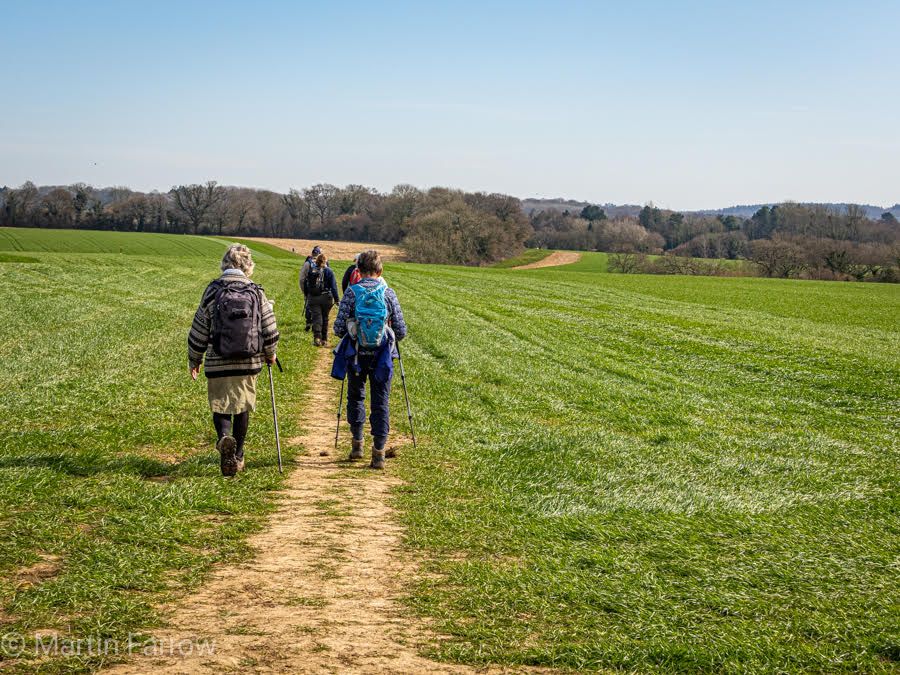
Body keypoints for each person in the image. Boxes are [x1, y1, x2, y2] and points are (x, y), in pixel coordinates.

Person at [188, 244, 279, 476]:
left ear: (225, 264)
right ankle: (237, 456)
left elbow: (199, 327)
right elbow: (269, 327)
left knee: (220, 404)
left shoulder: (212, 291)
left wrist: (195, 358)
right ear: (248, 266)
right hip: (248, 362)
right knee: (243, 407)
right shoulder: (256, 292)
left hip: (218, 359)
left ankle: (223, 439)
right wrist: (270, 353)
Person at [333, 250, 406, 469]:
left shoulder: (352, 293)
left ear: (358, 271)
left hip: (356, 356)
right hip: (383, 356)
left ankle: (357, 445)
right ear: (380, 270)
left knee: (356, 397)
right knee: (380, 402)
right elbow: (401, 331)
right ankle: (379, 453)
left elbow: (338, 328)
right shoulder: (388, 293)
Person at [304, 252, 340, 347]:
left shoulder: (311, 270)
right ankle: (324, 339)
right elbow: (334, 287)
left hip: (313, 298)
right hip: (326, 297)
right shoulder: (329, 271)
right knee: (325, 317)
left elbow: (305, 284)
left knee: (316, 317)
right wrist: (337, 300)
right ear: (326, 261)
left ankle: (317, 337)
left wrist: (307, 295)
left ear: (316, 261)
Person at [299, 245, 322, 331]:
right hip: (320, 290)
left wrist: (304, 291)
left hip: (309, 290)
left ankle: (308, 322)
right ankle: (317, 325)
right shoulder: (324, 263)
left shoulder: (307, 263)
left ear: (312, 253)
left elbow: (301, 279)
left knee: (309, 306)